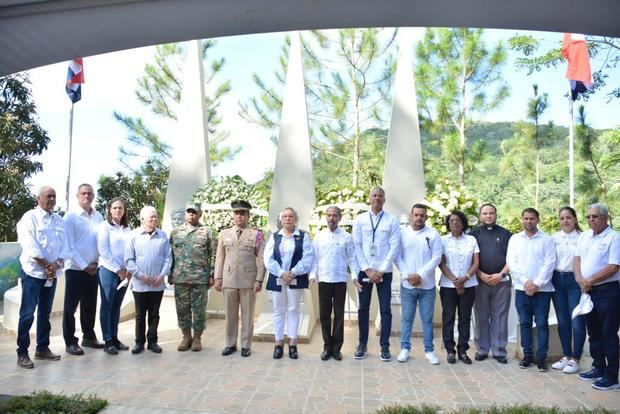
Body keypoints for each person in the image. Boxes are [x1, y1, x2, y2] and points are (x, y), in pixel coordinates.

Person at [16, 186, 68, 369]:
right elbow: (30, 246)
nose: (52, 199)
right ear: (39, 198)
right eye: (48, 196)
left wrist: (56, 265)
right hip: (33, 273)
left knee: (45, 313)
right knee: (27, 314)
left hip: (51, 274)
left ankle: (42, 348)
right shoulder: (29, 218)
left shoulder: (59, 221)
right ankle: (22, 353)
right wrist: (47, 265)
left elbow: (65, 247)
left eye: (54, 196)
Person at [352, 186, 400, 362]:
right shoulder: (360, 220)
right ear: (369, 198)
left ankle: (384, 347)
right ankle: (362, 344)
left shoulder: (392, 220)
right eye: (374, 195)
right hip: (364, 271)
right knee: (363, 308)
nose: (377, 198)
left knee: (385, 309)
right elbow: (356, 244)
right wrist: (367, 269)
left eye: (380, 196)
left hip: (383, 273)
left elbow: (394, 246)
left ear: (384, 199)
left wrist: (380, 270)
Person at [575, 203, 620, 391]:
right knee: (593, 333)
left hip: (608, 292)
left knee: (609, 335)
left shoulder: (614, 238)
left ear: (605, 218)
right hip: (587, 291)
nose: (591, 220)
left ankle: (612, 377)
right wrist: (580, 280)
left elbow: (613, 266)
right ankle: (598, 367)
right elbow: (576, 260)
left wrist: (590, 280)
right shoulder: (584, 236)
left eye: (595, 217)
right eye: (588, 217)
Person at [506, 207, 556, 372]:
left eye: (532, 218)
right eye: (526, 218)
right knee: (525, 323)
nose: (528, 221)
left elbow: (550, 264)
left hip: (543, 290)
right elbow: (512, 263)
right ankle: (528, 355)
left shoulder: (547, 239)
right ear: (522, 219)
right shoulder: (515, 239)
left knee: (541, 324)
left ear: (538, 220)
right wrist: (526, 282)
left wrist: (537, 284)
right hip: (521, 289)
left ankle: (541, 358)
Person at [214, 200, 266, 357]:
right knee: (230, 314)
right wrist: (217, 277)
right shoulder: (224, 234)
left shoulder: (256, 235)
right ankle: (230, 344)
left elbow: (262, 258)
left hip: (248, 280)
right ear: (233, 215)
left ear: (248, 216)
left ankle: (245, 345)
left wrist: (259, 279)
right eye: (237, 213)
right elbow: (219, 257)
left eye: (242, 214)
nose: (239, 216)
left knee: (248, 314)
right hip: (229, 278)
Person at [394, 203, 442, 364]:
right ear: (411, 216)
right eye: (416, 215)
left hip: (427, 286)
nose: (419, 218)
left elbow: (436, 257)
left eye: (422, 215)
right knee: (407, 319)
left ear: (426, 217)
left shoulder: (433, 234)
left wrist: (420, 275)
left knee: (427, 320)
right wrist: (409, 276)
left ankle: (429, 351)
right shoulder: (402, 234)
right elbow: (397, 256)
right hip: (408, 286)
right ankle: (405, 349)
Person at [264, 207, 314, 359]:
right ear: (281, 219)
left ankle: (293, 344)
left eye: (291, 216)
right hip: (277, 278)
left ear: (295, 219)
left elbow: (308, 258)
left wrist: (292, 273)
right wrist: (281, 273)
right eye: (285, 216)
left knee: (293, 310)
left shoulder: (303, 236)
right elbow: (268, 258)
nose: (288, 219)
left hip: (296, 277)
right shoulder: (275, 237)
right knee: (278, 311)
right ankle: (278, 344)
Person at [310, 206, 358, 361]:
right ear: (326, 217)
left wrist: (355, 276)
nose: (331, 218)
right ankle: (327, 347)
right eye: (329, 215)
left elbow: (352, 258)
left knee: (339, 315)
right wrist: (312, 275)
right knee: (324, 315)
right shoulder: (319, 237)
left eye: (335, 215)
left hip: (339, 281)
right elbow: (314, 259)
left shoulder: (346, 237)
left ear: (340, 218)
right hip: (323, 280)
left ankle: (337, 349)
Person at [63, 183, 105, 355]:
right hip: (75, 269)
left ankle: (88, 337)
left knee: (90, 305)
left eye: (89, 193)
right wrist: (84, 266)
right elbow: (69, 247)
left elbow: (103, 243)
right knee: (70, 307)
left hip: (94, 269)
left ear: (93, 196)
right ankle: (70, 341)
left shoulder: (99, 216)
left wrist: (96, 263)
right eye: (83, 193)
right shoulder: (70, 217)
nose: (86, 196)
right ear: (77, 196)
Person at [125, 206, 172, 354]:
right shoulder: (133, 236)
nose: (154, 219)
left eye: (155, 216)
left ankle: (152, 342)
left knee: (154, 315)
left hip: (157, 284)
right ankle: (139, 342)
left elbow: (168, 258)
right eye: (151, 217)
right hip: (140, 284)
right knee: (140, 315)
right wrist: (141, 275)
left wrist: (162, 275)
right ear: (142, 219)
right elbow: (129, 260)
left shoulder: (162, 236)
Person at [169, 202, 215, 352]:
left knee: (199, 310)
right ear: (185, 214)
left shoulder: (206, 232)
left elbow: (213, 255)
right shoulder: (175, 232)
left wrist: (212, 274)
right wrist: (170, 272)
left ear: (200, 214)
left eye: (194, 212)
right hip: (180, 278)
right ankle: (186, 336)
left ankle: (197, 338)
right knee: (182, 309)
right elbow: (170, 256)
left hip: (199, 279)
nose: (191, 214)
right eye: (189, 211)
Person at [470, 203, 512, 364]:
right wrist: (480, 274)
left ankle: (499, 350)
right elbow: (470, 259)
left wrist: (500, 275)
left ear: (496, 215)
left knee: (500, 317)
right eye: (485, 213)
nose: (488, 216)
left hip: (501, 281)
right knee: (481, 316)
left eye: (491, 213)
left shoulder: (506, 234)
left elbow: (512, 258)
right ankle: (482, 349)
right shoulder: (473, 235)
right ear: (480, 216)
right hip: (479, 282)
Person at [438, 210, 480, 364]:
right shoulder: (442, 240)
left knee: (465, 318)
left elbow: (476, 262)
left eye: (457, 220)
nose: (454, 223)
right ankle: (450, 350)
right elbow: (441, 263)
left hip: (469, 284)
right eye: (451, 220)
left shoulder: (471, 240)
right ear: (448, 224)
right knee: (448, 318)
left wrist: (465, 278)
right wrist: (455, 280)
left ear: (463, 223)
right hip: (448, 285)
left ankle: (463, 350)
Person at [550, 206, 584, 374]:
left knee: (576, 320)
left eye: (569, 217)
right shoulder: (554, 238)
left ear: (575, 219)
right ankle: (566, 356)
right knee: (562, 320)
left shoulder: (583, 238)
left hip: (575, 280)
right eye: (562, 218)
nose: (565, 220)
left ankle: (576, 358)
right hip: (557, 279)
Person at [97, 197, 132, 355]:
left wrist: (128, 270)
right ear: (109, 209)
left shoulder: (126, 228)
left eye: (121, 208)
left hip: (124, 273)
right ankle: (107, 340)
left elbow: (131, 250)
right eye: (115, 208)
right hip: (108, 271)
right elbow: (103, 250)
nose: (118, 210)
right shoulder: (105, 227)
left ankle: (115, 338)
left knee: (116, 306)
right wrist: (117, 269)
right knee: (107, 305)